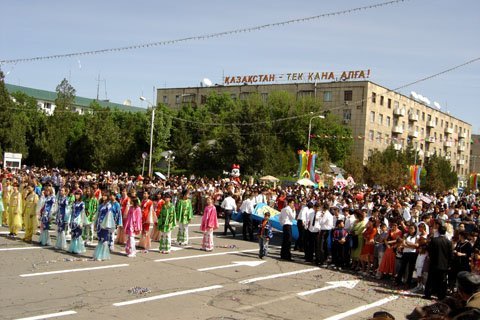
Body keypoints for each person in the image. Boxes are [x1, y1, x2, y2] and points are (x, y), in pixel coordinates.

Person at [424, 221, 452, 300]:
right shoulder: (449, 242)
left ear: (439, 231)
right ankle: (441, 296)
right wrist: (449, 264)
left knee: (430, 279)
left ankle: (428, 294)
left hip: (434, 263)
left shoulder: (434, 240)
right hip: (444, 264)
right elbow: (451, 254)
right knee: (442, 281)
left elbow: (429, 249)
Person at [395, 224, 419, 288]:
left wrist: (408, 244)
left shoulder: (417, 236)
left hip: (412, 253)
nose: (410, 230)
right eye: (410, 228)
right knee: (402, 267)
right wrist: (411, 245)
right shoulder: (405, 235)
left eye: (412, 228)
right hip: (406, 252)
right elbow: (403, 244)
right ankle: (398, 281)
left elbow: (416, 245)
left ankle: (408, 283)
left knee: (410, 269)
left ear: (415, 229)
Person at [93, 193, 114, 261]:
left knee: (104, 239)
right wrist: (95, 223)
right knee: (99, 239)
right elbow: (97, 214)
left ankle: (103, 255)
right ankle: (99, 254)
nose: (103, 196)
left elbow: (109, 215)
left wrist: (108, 225)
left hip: (105, 224)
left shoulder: (109, 205)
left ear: (108, 197)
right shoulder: (101, 205)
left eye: (105, 195)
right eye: (103, 195)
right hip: (99, 223)